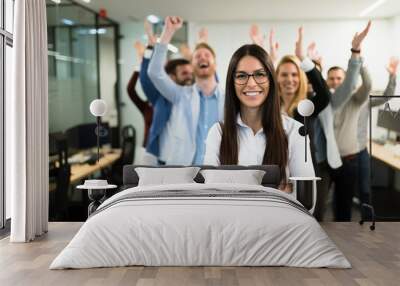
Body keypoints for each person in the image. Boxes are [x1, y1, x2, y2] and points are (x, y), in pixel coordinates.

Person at [203, 44, 314, 189]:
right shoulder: (218, 132)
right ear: (232, 83)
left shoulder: (297, 132)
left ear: (271, 80)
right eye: (241, 76)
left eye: (259, 74)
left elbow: (306, 200)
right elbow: (210, 193)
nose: (251, 83)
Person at [148, 16, 224, 165]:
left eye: (207, 55)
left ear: (215, 63)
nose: (202, 57)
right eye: (197, 56)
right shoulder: (180, 95)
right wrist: (167, 33)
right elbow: (154, 72)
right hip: (185, 172)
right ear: (192, 64)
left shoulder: (229, 98)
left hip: (219, 173)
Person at [138, 20, 193, 164]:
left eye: (190, 73)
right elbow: (146, 78)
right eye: (184, 73)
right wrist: (150, 47)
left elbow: (210, 83)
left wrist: (192, 58)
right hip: (163, 161)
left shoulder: (196, 97)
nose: (189, 76)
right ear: (173, 77)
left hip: (191, 161)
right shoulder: (160, 98)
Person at [356, 57, 398, 211]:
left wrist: (392, 76)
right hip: (340, 153)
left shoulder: (365, 99)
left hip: (361, 150)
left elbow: (387, 96)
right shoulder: (335, 100)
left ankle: (367, 223)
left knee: (365, 190)